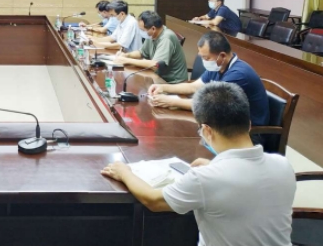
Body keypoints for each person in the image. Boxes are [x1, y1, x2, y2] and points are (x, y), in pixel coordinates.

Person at [101, 82, 296, 246]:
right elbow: (246, 190)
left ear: (207, 131)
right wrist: (213, 167)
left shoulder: (206, 179)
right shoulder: (283, 166)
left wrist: (124, 172)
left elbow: (153, 200)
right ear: (249, 124)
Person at [148, 31, 270, 128]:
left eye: (206, 58)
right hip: (226, 122)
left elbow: (210, 105)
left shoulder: (238, 74)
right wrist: (163, 87)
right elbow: (193, 87)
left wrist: (171, 101)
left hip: (247, 132)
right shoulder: (218, 66)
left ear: (222, 56)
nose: (204, 61)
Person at [114, 11, 188, 83]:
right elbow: (141, 52)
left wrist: (127, 60)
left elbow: (155, 65)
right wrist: (127, 55)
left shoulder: (166, 38)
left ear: (153, 29)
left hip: (172, 82)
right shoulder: (152, 35)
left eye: (142, 30)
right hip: (158, 77)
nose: (141, 32)